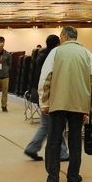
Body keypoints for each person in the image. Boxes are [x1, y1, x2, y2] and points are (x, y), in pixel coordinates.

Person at [38, 26, 92, 182]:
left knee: (54, 139)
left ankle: (53, 177)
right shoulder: (86, 53)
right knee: (75, 140)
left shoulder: (55, 52)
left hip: (58, 102)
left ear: (64, 36)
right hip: (79, 103)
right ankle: (73, 175)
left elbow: (46, 79)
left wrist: (44, 103)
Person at [24, 34, 68, 162]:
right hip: (50, 95)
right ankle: (61, 153)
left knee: (46, 125)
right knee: (55, 125)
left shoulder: (40, 56)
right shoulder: (54, 57)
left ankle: (33, 148)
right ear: (58, 44)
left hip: (39, 93)